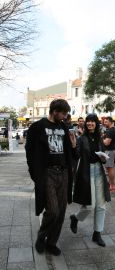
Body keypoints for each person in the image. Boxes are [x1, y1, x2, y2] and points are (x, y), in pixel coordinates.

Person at [25, 99, 77, 256]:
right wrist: (35, 173)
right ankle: (42, 236)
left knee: (61, 211)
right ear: (55, 111)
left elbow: (72, 152)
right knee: (52, 210)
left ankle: (51, 242)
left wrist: (74, 146)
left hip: (63, 173)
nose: (65, 116)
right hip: (47, 173)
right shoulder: (38, 127)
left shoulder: (63, 127)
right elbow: (29, 151)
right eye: (63, 113)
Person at [70, 113, 111, 246]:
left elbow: (103, 157)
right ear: (85, 124)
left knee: (101, 205)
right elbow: (76, 155)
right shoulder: (82, 139)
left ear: (96, 123)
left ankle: (97, 233)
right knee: (89, 205)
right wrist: (73, 144)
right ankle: (75, 218)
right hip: (86, 172)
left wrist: (104, 158)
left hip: (99, 171)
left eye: (92, 121)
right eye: (88, 121)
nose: (90, 123)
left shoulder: (99, 138)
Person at [103, 116, 115, 192]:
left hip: (110, 151)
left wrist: (100, 139)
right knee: (110, 168)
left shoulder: (110, 131)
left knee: (110, 169)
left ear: (110, 122)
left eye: (106, 122)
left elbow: (107, 143)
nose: (104, 123)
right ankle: (111, 184)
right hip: (114, 151)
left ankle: (112, 186)